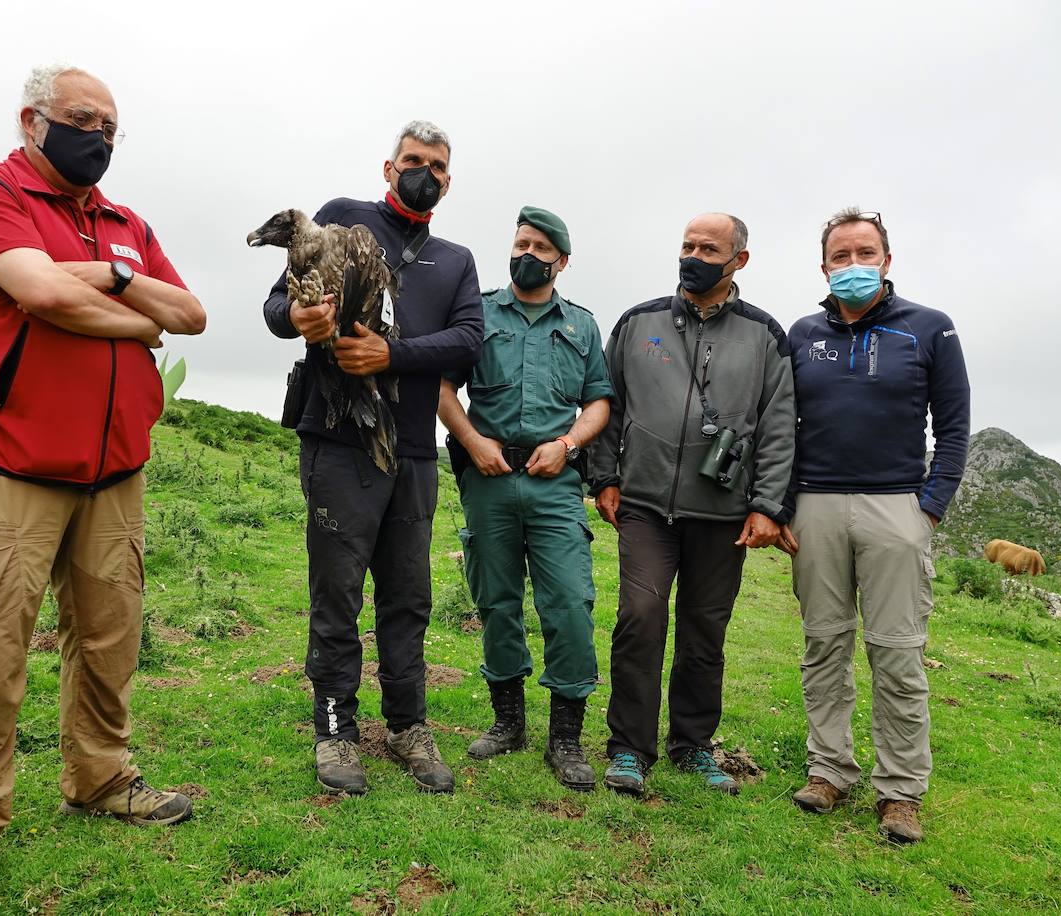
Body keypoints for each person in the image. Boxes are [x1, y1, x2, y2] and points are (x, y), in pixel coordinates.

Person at [0, 63, 206, 914]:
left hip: (114, 469)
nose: (100, 138)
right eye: (83, 119)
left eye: (112, 127)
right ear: (33, 120)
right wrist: (120, 293)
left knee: (111, 638)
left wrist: (101, 286)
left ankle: (101, 777)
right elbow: (36, 290)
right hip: (6, 461)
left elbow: (187, 316)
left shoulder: (124, 221)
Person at [262, 121, 483, 797]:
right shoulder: (339, 219)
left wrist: (393, 355)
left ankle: (408, 726)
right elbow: (276, 307)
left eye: (437, 165)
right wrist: (302, 320)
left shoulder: (456, 260)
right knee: (336, 594)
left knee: (409, 598)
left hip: (414, 450)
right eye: (412, 161)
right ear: (388, 168)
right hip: (337, 439)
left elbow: (469, 341)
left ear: (449, 179)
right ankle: (334, 729)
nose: (424, 172)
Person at [777, 208, 969, 843]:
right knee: (824, 644)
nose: (852, 265)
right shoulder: (801, 334)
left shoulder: (930, 330)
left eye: (865, 253)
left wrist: (930, 507)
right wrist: (782, 505)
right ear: (824, 264)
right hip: (816, 505)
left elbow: (954, 427)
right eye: (840, 255)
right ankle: (829, 768)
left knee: (897, 651)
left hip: (897, 507)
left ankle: (901, 790)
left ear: (887, 260)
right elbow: (780, 426)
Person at [591, 214, 794, 797]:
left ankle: (693, 747)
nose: (695, 255)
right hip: (646, 506)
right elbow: (607, 400)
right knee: (639, 618)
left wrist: (768, 505)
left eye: (710, 248)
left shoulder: (764, 336)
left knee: (705, 630)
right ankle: (629, 748)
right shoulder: (638, 323)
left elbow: (779, 427)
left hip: (725, 514)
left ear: (739, 261)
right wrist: (604, 476)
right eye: (687, 245)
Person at [438, 207, 612, 791]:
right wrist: (472, 440)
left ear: (561, 261)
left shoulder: (582, 326)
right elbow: (443, 386)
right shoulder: (477, 313)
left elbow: (599, 402)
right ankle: (508, 722)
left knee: (568, 604)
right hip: (487, 478)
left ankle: (566, 737)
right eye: (520, 243)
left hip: (555, 482)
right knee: (497, 602)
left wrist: (566, 444)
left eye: (540, 247)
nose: (527, 255)